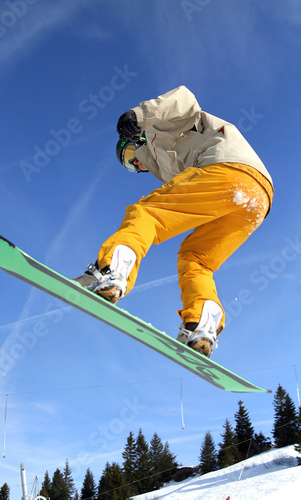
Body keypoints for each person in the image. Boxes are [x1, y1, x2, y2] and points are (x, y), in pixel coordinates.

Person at [74, 86, 273, 357]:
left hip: (227, 169)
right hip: (257, 198)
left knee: (146, 213)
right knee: (196, 260)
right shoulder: (168, 166)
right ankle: (201, 323)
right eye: (131, 167)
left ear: (136, 142)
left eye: (131, 158)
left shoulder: (159, 131)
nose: (137, 166)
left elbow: (184, 99)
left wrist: (139, 116)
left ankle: (111, 272)